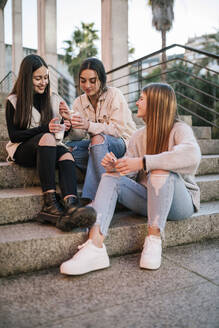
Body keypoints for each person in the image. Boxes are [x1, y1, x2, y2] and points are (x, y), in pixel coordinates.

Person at [60, 82, 201, 275]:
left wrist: (144, 162)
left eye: (142, 99)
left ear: (156, 103)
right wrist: (116, 167)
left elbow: (192, 156)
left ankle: (153, 239)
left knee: (159, 170)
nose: (137, 103)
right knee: (110, 177)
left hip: (179, 203)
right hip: (149, 199)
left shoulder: (179, 129)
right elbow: (130, 170)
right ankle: (95, 247)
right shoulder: (138, 136)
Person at [5, 54, 96, 231]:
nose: (43, 82)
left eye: (46, 77)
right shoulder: (13, 101)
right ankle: (50, 202)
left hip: (49, 148)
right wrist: (45, 128)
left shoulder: (54, 98)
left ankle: (71, 205)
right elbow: (15, 136)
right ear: (26, 79)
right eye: (38, 78)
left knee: (66, 153)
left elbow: (59, 132)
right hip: (22, 150)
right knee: (47, 137)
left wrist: (66, 124)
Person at [62, 57, 136, 203]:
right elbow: (79, 135)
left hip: (123, 144)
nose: (87, 85)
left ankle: (92, 199)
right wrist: (69, 123)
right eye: (83, 80)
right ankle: (95, 195)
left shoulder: (114, 95)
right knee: (64, 150)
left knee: (97, 139)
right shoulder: (79, 102)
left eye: (92, 80)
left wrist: (88, 125)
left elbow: (117, 130)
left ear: (101, 79)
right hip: (97, 148)